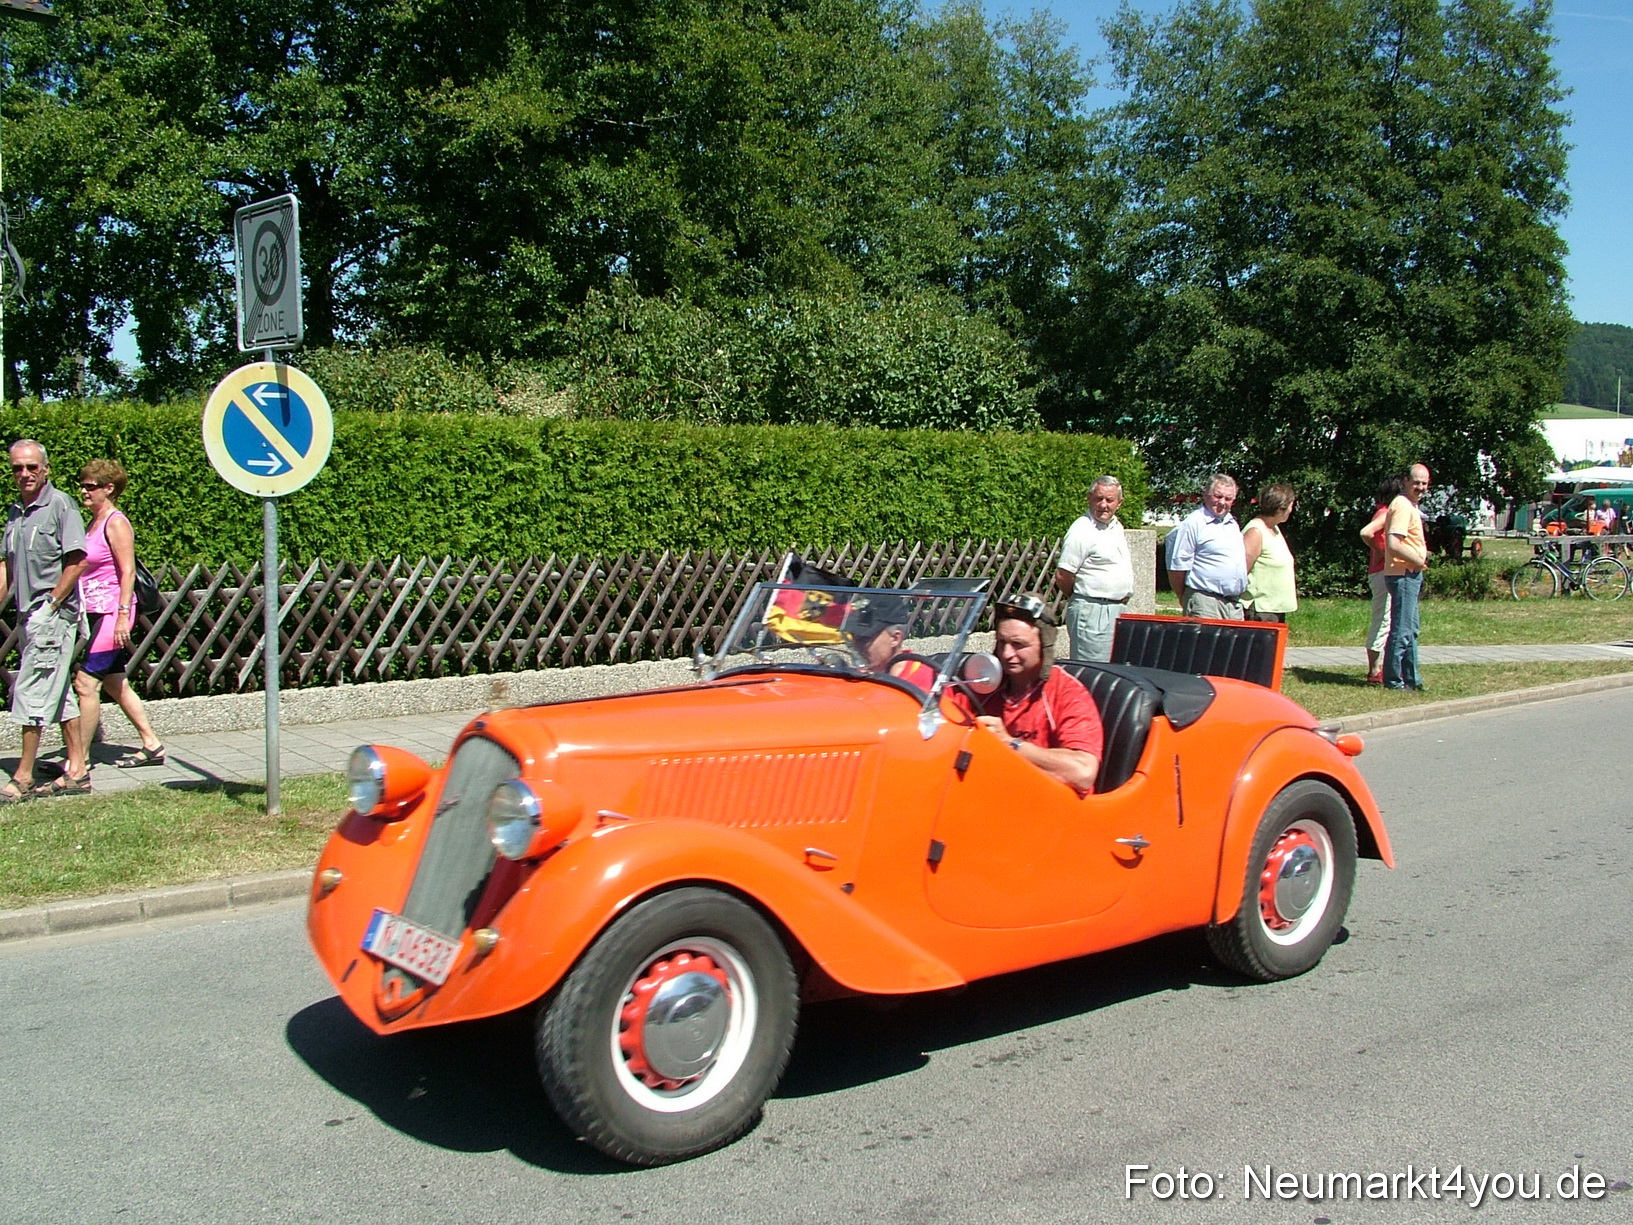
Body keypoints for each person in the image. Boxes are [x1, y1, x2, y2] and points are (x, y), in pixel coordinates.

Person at [0, 440, 89, 800]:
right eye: (18, 468)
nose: (25, 474)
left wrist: (51, 606)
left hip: (52, 615)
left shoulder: (61, 506)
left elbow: (77, 561)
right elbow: (6, 566)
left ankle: (23, 776)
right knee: (59, 692)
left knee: (31, 690)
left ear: (46, 469)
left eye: (31, 467)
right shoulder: (14, 513)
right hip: (28, 616)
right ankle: (78, 770)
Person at [961, 594, 1102, 794]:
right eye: (1002, 642)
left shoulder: (1068, 693)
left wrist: (1010, 744)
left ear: (1044, 646)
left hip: (1055, 810)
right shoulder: (984, 685)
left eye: (1018, 644)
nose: (1007, 654)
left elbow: (1083, 772)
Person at [74, 460, 165, 768]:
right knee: (115, 683)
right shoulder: (94, 522)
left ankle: (79, 761)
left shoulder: (115, 522)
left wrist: (123, 616)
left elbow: (127, 572)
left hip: (113, 612)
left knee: (86, 683)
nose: (84, 491)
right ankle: (152, 744)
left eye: (91, 486)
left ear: (109, 489)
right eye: (83, 485)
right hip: (95, 611)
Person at [1054, 475, 1134, 661]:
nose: (1103, 505)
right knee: (1092, 671)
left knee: (1115, 671)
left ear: (1119, 503)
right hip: (1092, 612)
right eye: (1099, 498)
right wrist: (1084, 598)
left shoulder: (1115, 526)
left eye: (1109, 500)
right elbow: (1063, 574)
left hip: (1117, 610)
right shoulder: (1082, 530)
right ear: (1089, 498)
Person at [1165, 473, 1248, 619]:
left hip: (1233, 604)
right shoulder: (1193, 524)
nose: (1222, 502)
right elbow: (1177, 568)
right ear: (1206, 494)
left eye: (1228, 499)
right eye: (1218, 496)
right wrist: (1185, 598)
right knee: (1205, 643)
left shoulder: (1232, 524)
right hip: (1205, 602)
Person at [1382, 463, 1431, 691]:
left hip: (1410, 573)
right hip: (1403, 573)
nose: (1420, 487)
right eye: (1416, 482)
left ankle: (1412, 679)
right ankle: (1393, 680)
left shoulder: (1410, 505)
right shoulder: (1401, 505)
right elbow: (1393, 543)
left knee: (1411, 630)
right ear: (1405, 481)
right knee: (1402, 630)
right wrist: (1417, 560)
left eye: (1424, 483)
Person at [1358, 475, 1404, 684]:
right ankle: (1374, 669)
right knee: (1383, 619)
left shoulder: (1382, 511)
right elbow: (1366, 533)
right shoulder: (1386, 514)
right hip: (1382, 572)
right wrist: (1380, 551)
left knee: (1384, 617)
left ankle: (1377, 667)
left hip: (1380, 572)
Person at [1242, 483, 1298, 623]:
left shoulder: (1274, 529)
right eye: (1291, 505)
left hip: (1274, 610)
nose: (1292, 510)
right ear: (1280, 509)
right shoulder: (1255, 531)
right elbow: (1241, 571)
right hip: (1260, 611)